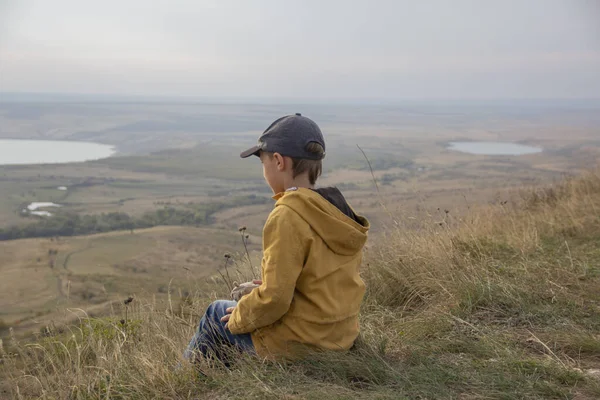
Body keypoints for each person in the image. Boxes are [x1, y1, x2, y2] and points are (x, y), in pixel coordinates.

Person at [184, 113, 370, 362]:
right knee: (242, 303)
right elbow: (321, 279)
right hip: (338, 337)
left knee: (215, 313)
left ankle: (182, 383)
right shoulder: (336, 211)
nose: (264, 171)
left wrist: (240, 316)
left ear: (279, 162)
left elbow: (275, 300)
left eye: (264, 163)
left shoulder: (288, 214)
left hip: (301, 344)